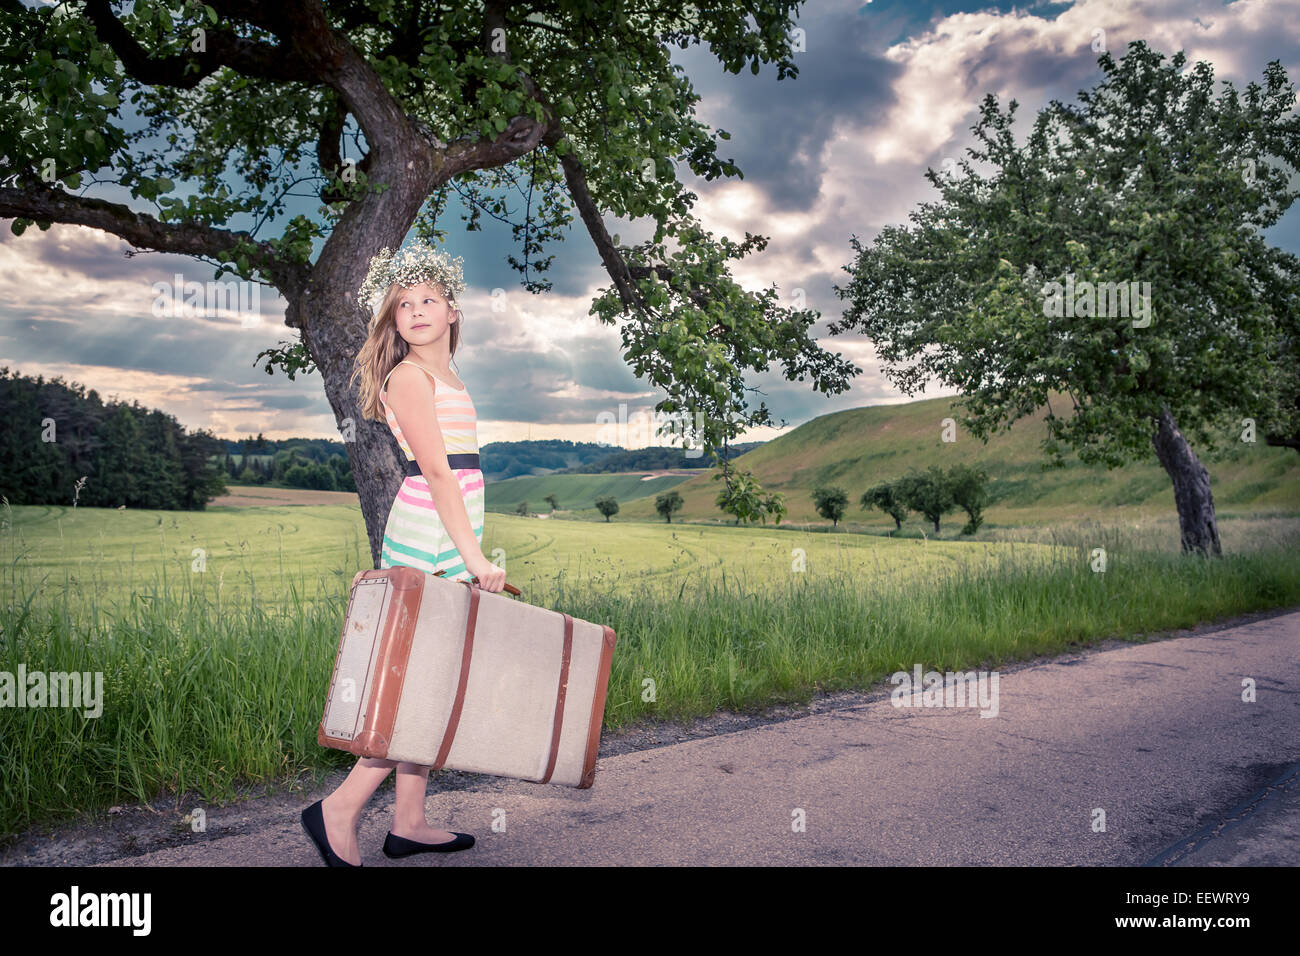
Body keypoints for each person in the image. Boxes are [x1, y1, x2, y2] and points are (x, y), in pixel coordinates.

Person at [300, 240, 507, 867]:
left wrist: (470, 545)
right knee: (417, 685)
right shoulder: (409, 377)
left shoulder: (448, 375)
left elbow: (462, 478)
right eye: (403, 304)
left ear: (451, 311)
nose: (416, 310)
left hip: (452, 524)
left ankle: (409, 821)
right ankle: (337, 808)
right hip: (429, 532)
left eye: (428, 299)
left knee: (433, 677)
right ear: (392, 320)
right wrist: (475, 559)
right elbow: (440, 475)